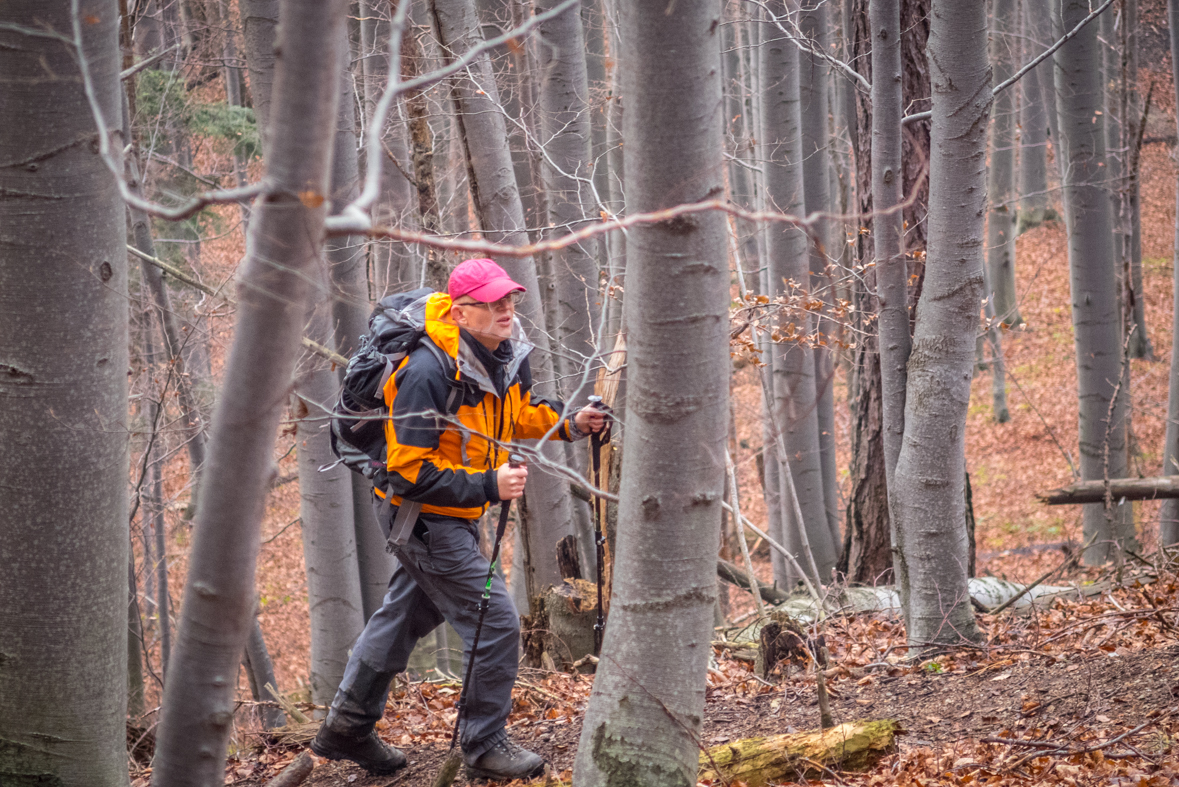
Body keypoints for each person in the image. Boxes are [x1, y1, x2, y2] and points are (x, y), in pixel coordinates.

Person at [310, 259, 606, 781]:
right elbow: (406, 472)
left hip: (454, 514)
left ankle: (347, 728)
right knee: (495, 621)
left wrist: (572, 422)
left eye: (509, 299)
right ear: (462, 310)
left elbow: (516, 413)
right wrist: (488, 485)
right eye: (492, 303)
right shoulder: (427, 371)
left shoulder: (502, 355)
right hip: (420, 518)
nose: (506, 310)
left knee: (403, 618)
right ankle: (484, 744)